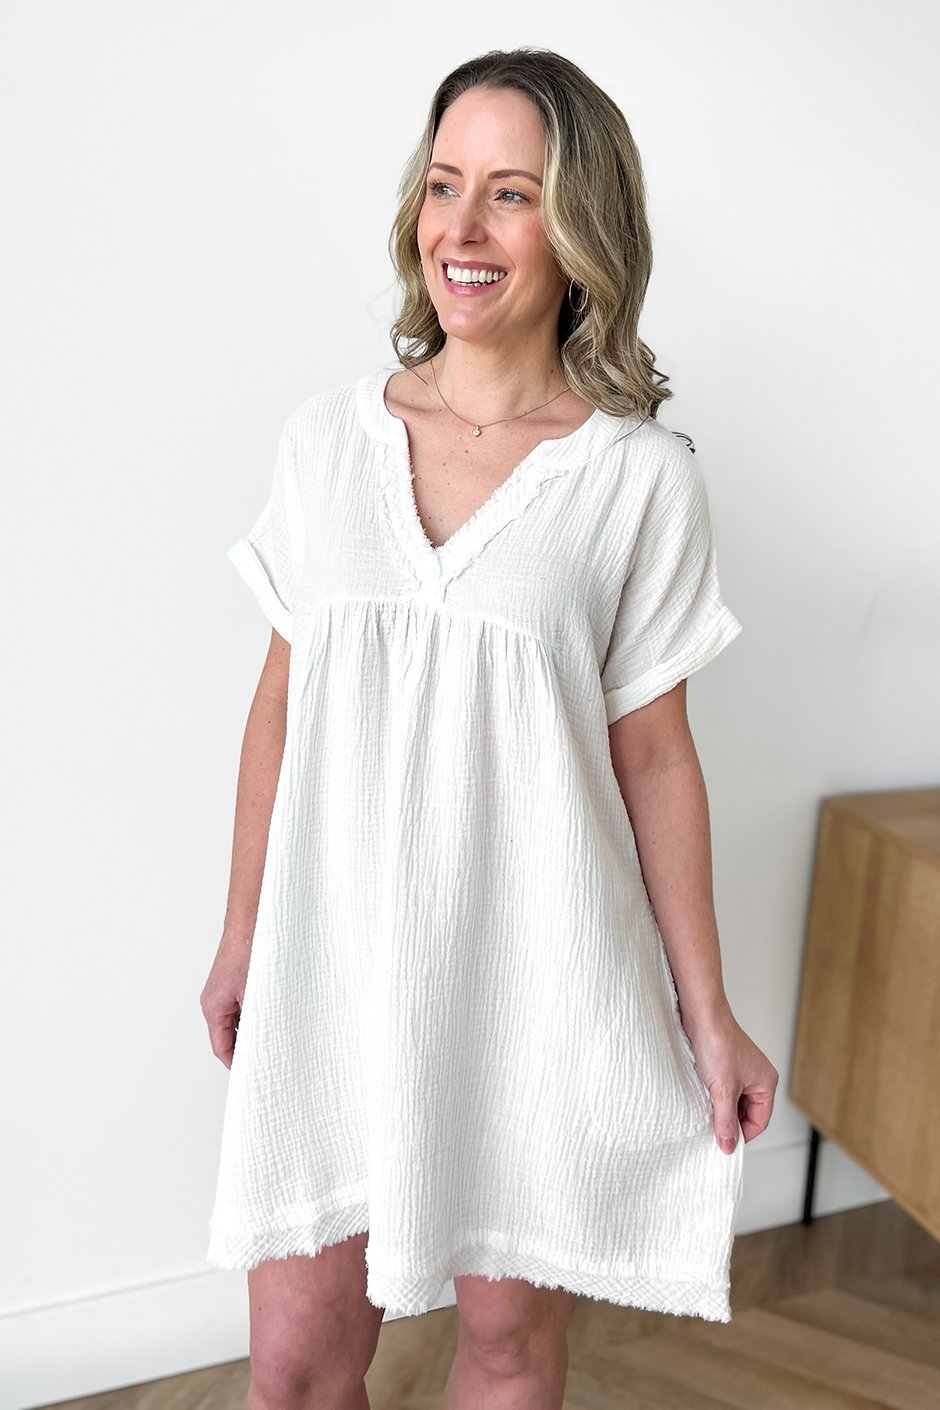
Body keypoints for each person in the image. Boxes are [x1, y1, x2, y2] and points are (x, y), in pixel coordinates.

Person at [200, 46, 778, 1410]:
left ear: (579, 231)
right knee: (293, 1363)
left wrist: (708, 1013)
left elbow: (654, 755)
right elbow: (280, 702)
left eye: (511, 193)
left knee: (509, 1348)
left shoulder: (638, 482)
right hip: (332, 963)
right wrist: (241, 935)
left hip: (535, 972)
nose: (462, 226)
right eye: (445, 183)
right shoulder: (325, 444)